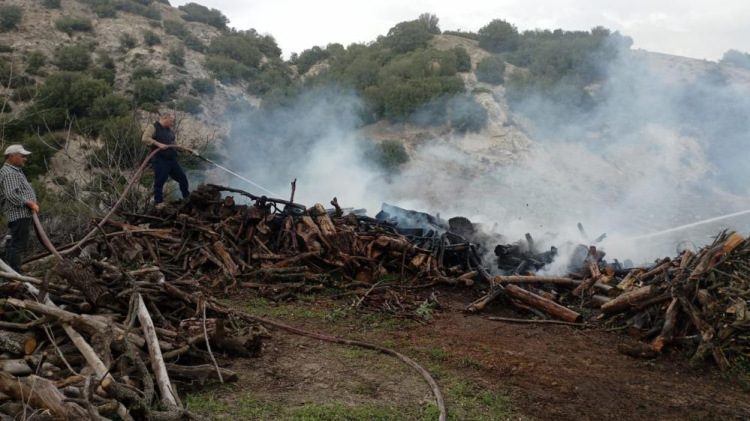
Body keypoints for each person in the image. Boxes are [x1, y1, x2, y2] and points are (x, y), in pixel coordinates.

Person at [141, 113, 192, 209]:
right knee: (159, 181)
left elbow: (172, 143)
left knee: (182, 178)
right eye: (171, 121)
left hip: (172, 160)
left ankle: (186, 197)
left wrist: (183, 148)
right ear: (165, 118)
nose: (172, 123)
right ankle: (158, 202)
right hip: (160, 160)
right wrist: (158, 144)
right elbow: (145, 138)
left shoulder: (169, 131)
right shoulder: (153, 127)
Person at [0, 145, 38, 273]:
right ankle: (15, 275)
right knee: (17, 246)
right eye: (22, 156)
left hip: (20, 214)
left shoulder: (13, 171)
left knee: (15, 244)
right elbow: (11, 194)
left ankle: (12, 273)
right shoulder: (10, 173)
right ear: (12, 157)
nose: (25, 158)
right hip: (19, 214)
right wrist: (30, 203)